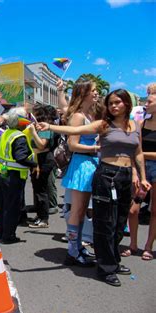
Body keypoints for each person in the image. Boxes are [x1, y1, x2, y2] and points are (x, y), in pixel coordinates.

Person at [38, 89, 152, 287]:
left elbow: (139, 153)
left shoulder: (135, 125)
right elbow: (75, 132)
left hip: (125, 177)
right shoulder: (103, 124)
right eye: (111, 103)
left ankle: (113, 261)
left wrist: (141, 177)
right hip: (107, 175)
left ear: (127, 103)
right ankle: (105, 267)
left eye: (118, 102)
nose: (114, 106)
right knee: (105, 223)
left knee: (119, 222)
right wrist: (50, 126)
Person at [54, 79, 101, 267]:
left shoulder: (90, 113)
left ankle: (78, 247)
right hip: (82, 164)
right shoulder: (79, 117)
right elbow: (73, 145)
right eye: (94, 91)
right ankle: (73, 251)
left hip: (90, 163)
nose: (97, 93)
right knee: (78, 210)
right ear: (84, 94)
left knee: (82, 211)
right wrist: (97, 148)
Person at [0, 107, 38, 243]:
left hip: (1, 173)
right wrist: (34, 164)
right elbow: (21, 157)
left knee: (1, 206)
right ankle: (8, 236)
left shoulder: (6, 133)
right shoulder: (19, 136)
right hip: (14, 176)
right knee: (12, 207)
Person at [124, 83, 156, 261]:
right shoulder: (142, 123)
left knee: (155, 211)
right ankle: (133, 244)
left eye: (149, 99)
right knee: (133, 209)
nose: (146, 103)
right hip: (142, 168)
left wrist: (142, 154)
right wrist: (136, 172)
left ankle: (148, 246)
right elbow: (135, 150)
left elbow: (139, 152)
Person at [27, 105, 57, 228]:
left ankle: (44, 219)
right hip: (37, 160)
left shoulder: (46, 128)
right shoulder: (40, 127)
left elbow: (41, 145)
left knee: (41, 190)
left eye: (35, 114)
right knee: (37, 188)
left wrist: (33, 132)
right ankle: (40, 215)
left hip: (44, 160)